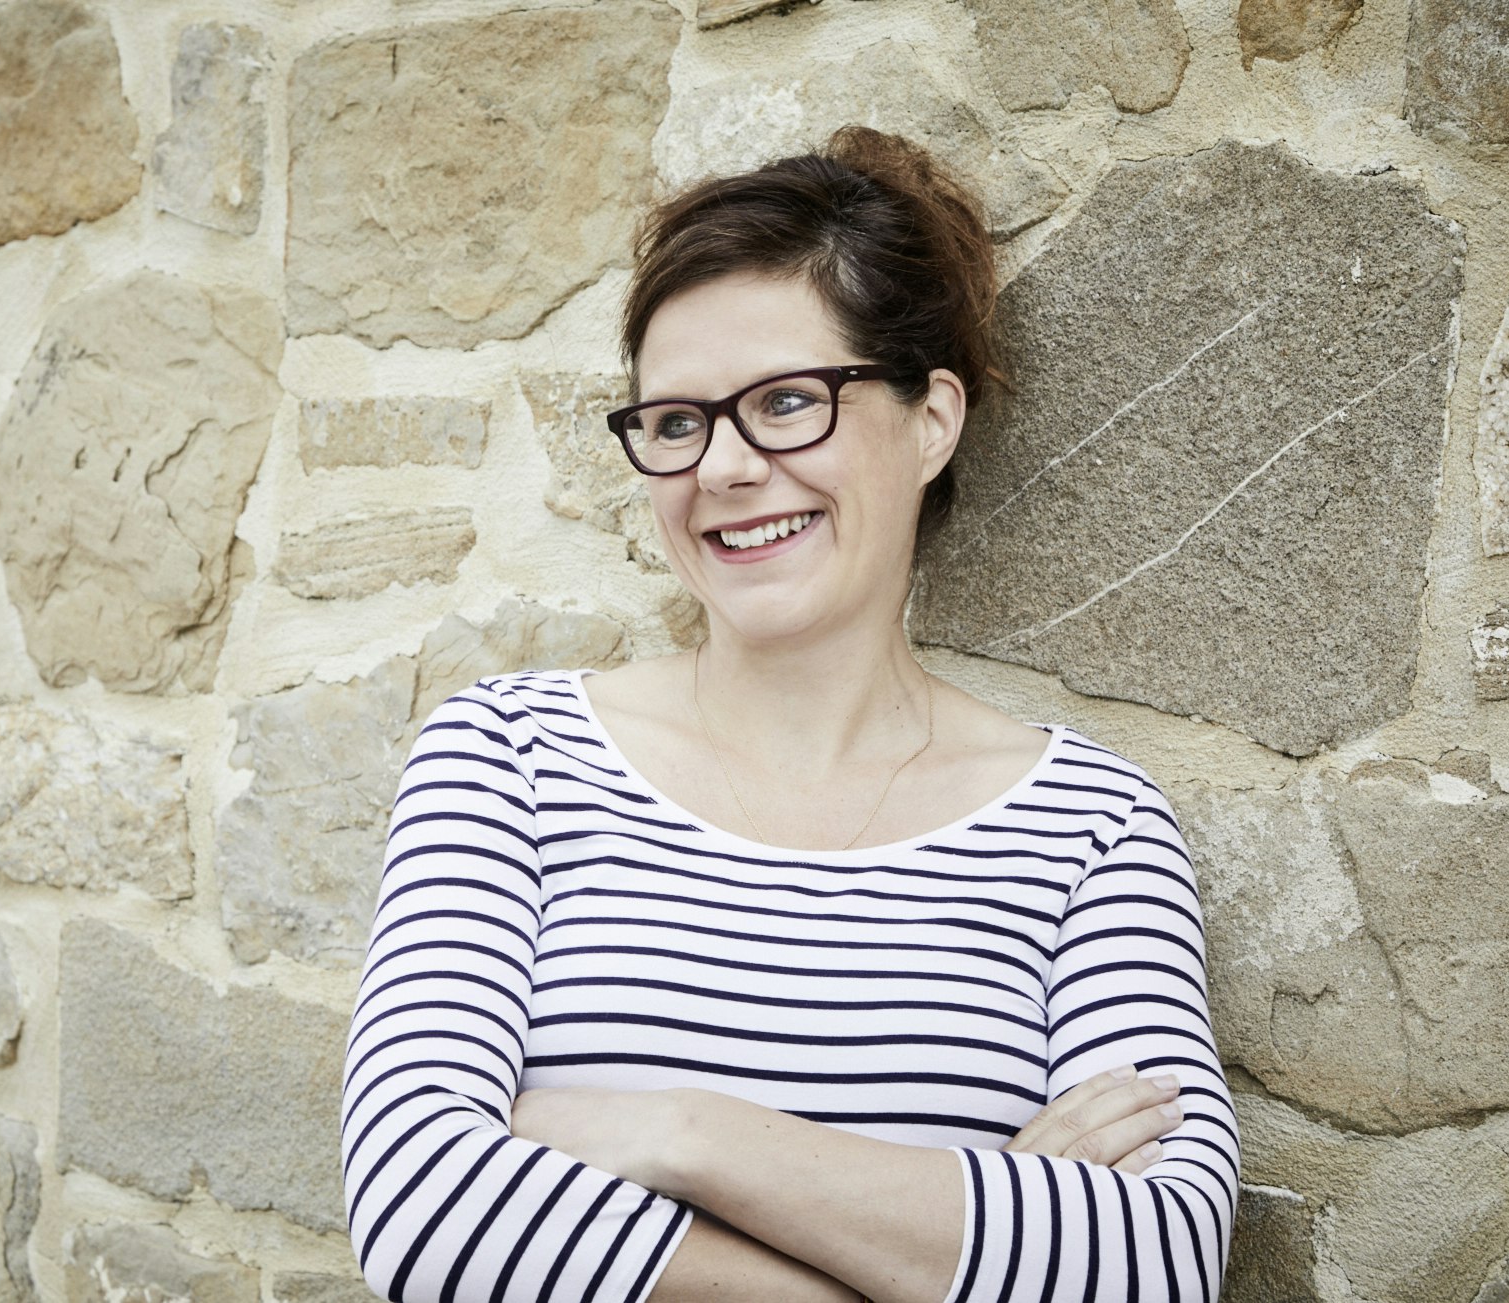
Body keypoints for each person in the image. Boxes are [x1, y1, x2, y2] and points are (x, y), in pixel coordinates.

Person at [342, 125, 1237, 1302]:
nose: (720, 467)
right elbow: (419, 1206)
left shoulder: (1090, 827)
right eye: (675, 421)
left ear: (930, 420)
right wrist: (963, 1235)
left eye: (785, 401)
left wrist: (688, 1134)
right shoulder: (507, 760)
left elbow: (1158, 1261)